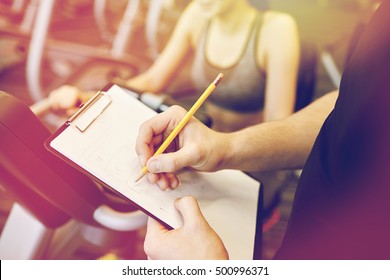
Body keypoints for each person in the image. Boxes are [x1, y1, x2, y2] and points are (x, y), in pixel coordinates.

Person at [136, 0, 390, 259]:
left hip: (264, 181)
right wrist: (223, 147)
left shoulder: (276, 29)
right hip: (296, 234)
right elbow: (350, 104)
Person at [49, 0, 300, 220]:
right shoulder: (198, 14)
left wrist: (225, 150)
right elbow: (153, 80)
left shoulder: (277, 29)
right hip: (201, 140)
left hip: (247, 156)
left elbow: (278, 126)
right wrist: (87, 97)